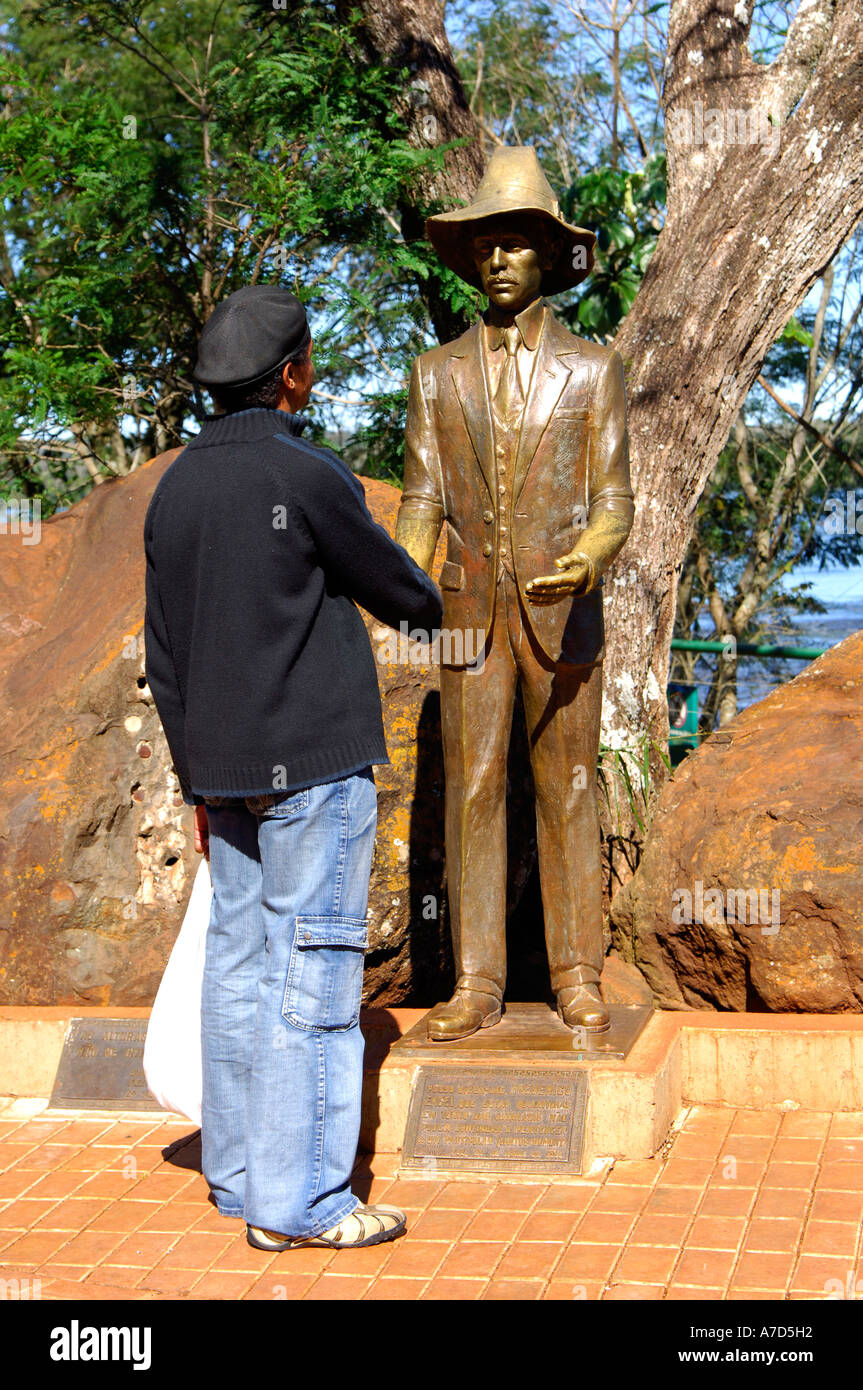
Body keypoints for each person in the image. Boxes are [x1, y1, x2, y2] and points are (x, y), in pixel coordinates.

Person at [144, 284, 442, 1250]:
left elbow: (164, 657)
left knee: (237, 972)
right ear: (291, 376)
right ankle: (303, 1204)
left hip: (222, 776)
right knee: (313, 976)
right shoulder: (306, 474)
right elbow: (407, 598)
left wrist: (196, 783)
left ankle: (236, 1178)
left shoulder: (176, 488)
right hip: (312, 770)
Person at [395, 147, 634, 1042]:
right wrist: (402, 572)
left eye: (516, 246)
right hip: (466, 619)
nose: (499, 260)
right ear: (470, 259)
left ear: (545, 260)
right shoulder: (433, 374)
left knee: (568, 788)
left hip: (564, 612)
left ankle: (577, 975)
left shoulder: (592, 370)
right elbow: (422, 496)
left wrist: (589, 556)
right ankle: (476, 982)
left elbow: (614, 497)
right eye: (485, 246)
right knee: (472, 789)